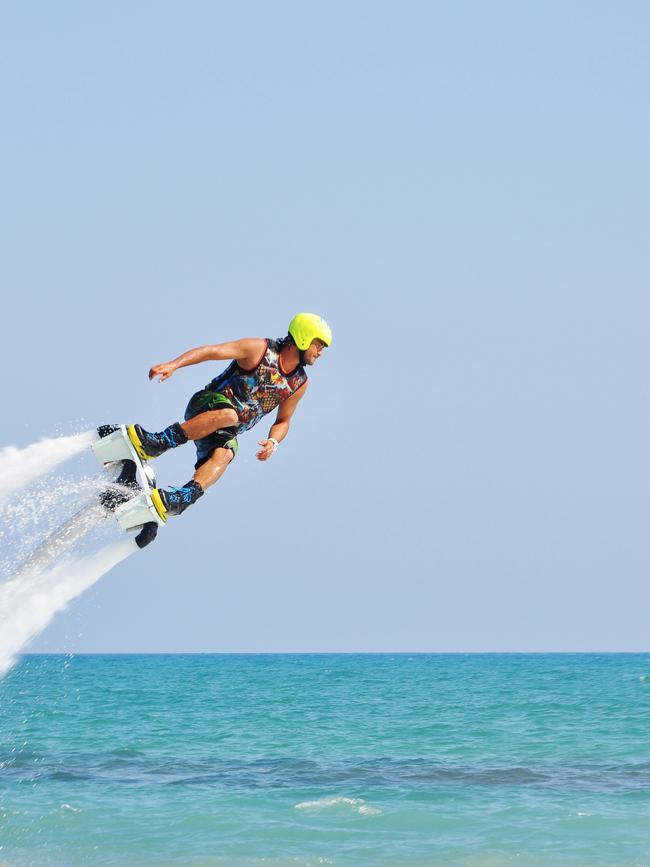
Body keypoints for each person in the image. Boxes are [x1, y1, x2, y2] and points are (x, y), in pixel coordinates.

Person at [127, 313, 332, 519]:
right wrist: (174, 364)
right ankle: (159, 442)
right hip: (206, 405)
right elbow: (211, 351)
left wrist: (273, 441)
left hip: (226, 427)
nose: (320, 353)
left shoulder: (299, 383)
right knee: (231, 415)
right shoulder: (259, 349)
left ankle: (181, 499)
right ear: (303, 337)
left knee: (227, 452)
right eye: (319, 345)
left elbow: (283, 421)